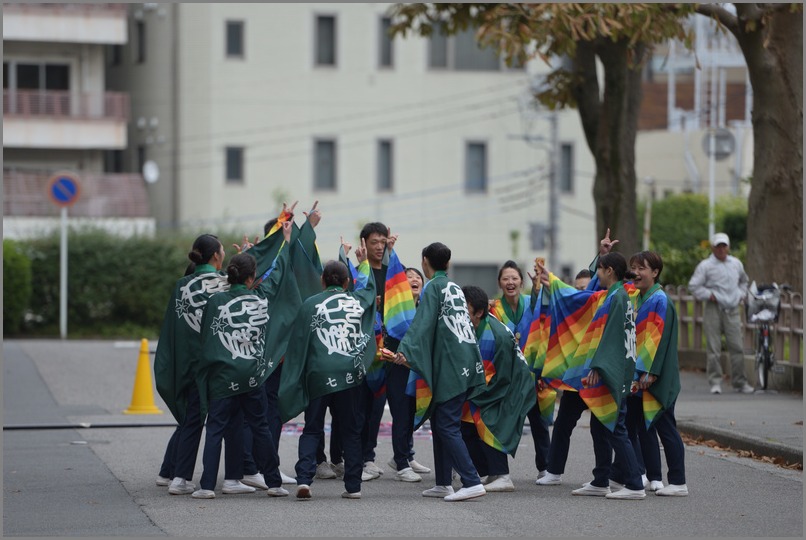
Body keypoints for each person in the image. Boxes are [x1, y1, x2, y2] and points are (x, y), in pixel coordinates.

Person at [191, 221, 299, 499]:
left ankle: (206, 487)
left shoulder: (215, 302)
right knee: (261, 429)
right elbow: (277, 273)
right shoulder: (261, 299)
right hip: (252, 377)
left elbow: (205, 338)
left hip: (222, 377)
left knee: (215, 429)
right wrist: (284, 243)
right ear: (252, 279)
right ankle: (274, 483)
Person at [154, 233, 253, 496]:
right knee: (230, 420)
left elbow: (175, 331)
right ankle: (232, 478)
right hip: (221, 365)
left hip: (192, 365)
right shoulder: (224, 284)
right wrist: (246, 257)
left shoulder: (181, 286)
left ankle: (179, 478)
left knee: (191, 422)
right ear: (217, 256)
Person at [278, 241, 378, 500]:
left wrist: (295, 378)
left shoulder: (310, 304)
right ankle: (353, 486)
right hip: (349, 375)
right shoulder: (357, 302)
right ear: (347, 282)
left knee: (312, 428)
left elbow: (299, 345)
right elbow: (368, 289)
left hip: (318, 376)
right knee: (351, 431)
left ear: (322, 280)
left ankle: (304, 479)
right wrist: (364, 262)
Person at [394, 242, 487, 502]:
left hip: (452, 366)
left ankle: (470, 480)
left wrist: (405, 351)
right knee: (441, 422)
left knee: (446, 425)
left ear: (425, 261)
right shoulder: (454, 287)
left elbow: (422, 323)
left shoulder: (433, 287)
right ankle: (444, 483)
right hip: (466, 360)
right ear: (448, 262)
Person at [358, 222, 429, 482]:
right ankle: (366, 459)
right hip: (370, 353)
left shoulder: (394, 274)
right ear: (364, 243)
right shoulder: (359, 274)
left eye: (382, 241)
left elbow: (403, 311)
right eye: (374, 242)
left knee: (403, 406)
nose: (379, 247)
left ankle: (403, 460)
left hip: (398, 352)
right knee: (370, 409)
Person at [622, 250, 688, 496]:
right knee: (642, 427)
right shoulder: (638, 296)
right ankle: (653, 476)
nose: (636, 273)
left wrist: (649, 372)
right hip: (641, 375)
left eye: (642, 268)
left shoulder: (659, 300)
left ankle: (678, 482)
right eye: (634, 267)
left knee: (664, 426)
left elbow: (657, 341)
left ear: (655, 272)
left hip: (653, 376)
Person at [461, 285, 536, 493]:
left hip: (512, 386)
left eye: (465, 310)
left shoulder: (496, 334)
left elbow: (503, 377)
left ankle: (503, 475)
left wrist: (477, 394)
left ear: (479, 312)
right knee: (465, 426)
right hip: (492, 383)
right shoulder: (478, 326)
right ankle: (490, 471)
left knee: (489, 421)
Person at [489, 260, 550, 483]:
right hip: (506, 374)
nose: (510, 282)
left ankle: (546, 467)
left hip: (532, 372)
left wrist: (537, 289)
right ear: (499, 283)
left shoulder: (530, 301)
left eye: (514, 278)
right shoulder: (493, 308)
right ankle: (498, 470)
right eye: (506, 279)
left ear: (521, 281)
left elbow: (544, 313)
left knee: (539, 421)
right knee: (502, 421)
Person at [688, 232, 753, 394]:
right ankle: (715, 382)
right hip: (713, 307)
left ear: (728, 247)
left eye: (724, 246)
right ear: (713, 248)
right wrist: (709, 295)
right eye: (718, 246)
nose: (721, 249)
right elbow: (694, 286)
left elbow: (744, 281)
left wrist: (741, 294)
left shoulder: (736, 263)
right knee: (714, 347)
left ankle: (740, 382)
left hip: (732, 308)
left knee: (737, 346)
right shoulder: (706, 265)